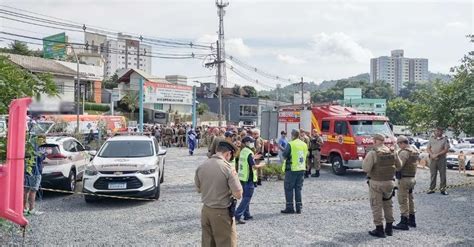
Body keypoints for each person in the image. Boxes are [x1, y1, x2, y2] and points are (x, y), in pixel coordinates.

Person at [195, 141, 243, 247]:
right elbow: (238, 194)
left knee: (208, 243)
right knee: (226, 243)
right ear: (228, 154)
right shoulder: (228, 168)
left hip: (206, 210)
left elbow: (198, 188)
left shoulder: (202, 166)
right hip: (222, 212)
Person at [362, 133, 400, 238]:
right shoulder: (392, 151)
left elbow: (365, 169)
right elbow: (399, 166)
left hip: (376, 183)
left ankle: (379, 229)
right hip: (390, 182)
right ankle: (389, 228)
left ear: (375, 141)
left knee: (376, 205)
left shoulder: (373, 153)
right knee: (388, 205)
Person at [234, 136, 265, 224]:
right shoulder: (249, 153)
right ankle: (237, 215)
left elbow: (247, 161)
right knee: (247, 198)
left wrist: (253, 157)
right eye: (251, 142)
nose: (252, 143)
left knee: (245, 197)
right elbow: (254, 166)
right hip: (249, 178)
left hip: (242, 178)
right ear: (247, 142)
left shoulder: (243, 151)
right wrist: (261, 165)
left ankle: (247, 214)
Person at [393, 135, 419, 231]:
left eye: (399, 144)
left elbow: (399, 166)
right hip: (412, 178)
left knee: (403, 200)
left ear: (402, 143)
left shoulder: (403, 153)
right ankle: (412, 220)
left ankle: (404, 222)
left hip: (404, 179)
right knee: (410, 199)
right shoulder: (414, 151)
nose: (398, 146)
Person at [281, 129, 308, 214]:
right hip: (301, 169)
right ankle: (299, 207)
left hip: (292, 169)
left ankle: (289, 208)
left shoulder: (291, 144)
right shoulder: (304, 144)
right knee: (298, 189)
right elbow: (305, 155)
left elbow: (285, 155)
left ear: (292, 135)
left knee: (288, 189)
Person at [24, 135, 47, 216]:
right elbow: (40, 159)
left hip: (27, 170)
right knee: (33, 191)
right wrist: (44, 154)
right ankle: (31, 209)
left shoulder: (30, 146)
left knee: (26, 189)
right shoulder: (40, 148)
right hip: (36, 171)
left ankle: (24, 208)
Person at [427, 127, 450, 195]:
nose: (438, 132)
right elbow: (428, 148)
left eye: (439, 131)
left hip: (441, 159)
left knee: (442, 175)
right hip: (432, 159)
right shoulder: (431, 138)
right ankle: (432, 189)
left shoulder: (445, 139)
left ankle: (443, 189)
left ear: (442, 132)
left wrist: (437, 154)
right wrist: (432, 155)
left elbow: (446, 149)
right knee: (433, 174)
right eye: (436, 131)